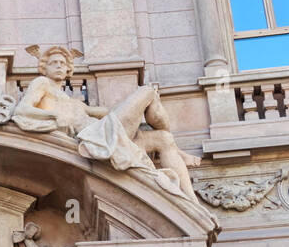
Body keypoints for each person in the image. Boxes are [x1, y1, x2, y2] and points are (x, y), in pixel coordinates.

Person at [12, 44, 200, 200]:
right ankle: (179, 153)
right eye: (54, 63)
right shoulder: (42, 83)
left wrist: (130, 109)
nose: (59, 66)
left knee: (165, 139)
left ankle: (191, 201)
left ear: (69, 68)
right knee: (147, 92)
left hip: (106, 129)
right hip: (100, 136)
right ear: (44, 68)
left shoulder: (73, 102)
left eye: (62, 63)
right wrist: (53, 116)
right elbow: (22, 109)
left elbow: (104, 112)